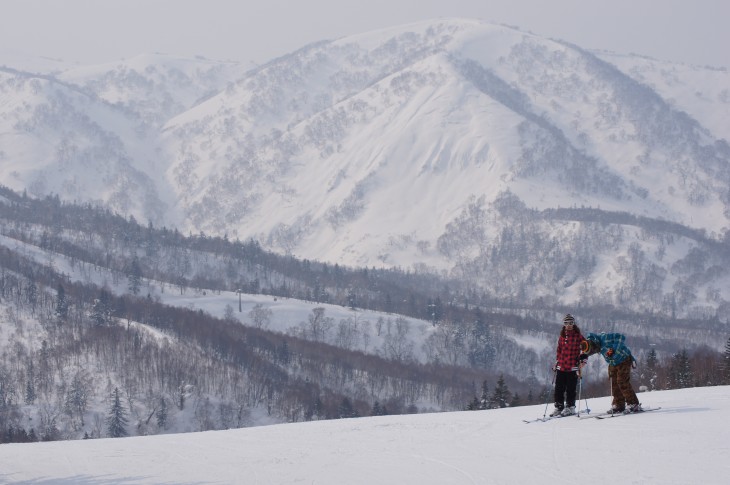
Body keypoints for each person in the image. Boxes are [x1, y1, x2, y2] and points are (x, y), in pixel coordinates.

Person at [581, 331, 641, 414]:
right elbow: (587, 351)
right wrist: (583, 356)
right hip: (613, 362)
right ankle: (619, 405)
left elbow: (620, 337)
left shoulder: (604, 338)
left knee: (622, 382)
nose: (595, 352)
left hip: (624, 359)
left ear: (594, 344)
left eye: (594, 350)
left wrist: (613, 349)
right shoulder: (593, 345)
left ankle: (633, 404)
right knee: (614, 383)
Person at [550, 314, 585, 417]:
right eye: (566, 323)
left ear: (573, 324)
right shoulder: (562, 336)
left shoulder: (578, 336)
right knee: (559, 388)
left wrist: (583, 360)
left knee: (570, 388)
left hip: (573, 366)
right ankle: (559, 407)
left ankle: (570, 407)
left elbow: (585, 348)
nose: (569, 325)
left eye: (571, 323)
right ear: (564, 324)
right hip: (561, 366)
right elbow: (559, 350)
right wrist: (557, 362)